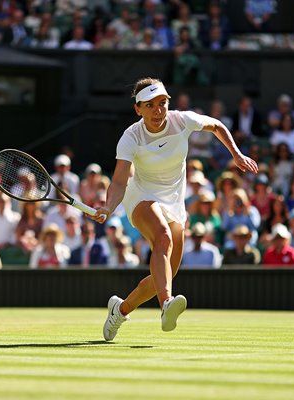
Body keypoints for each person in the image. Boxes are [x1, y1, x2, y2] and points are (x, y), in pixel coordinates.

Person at [89, 77, 258, 341]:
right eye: (150, 105)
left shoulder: (182, 120)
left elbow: (216, 125)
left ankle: (119, 310)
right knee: (163, 238)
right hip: (142, 195)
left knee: (167, 271)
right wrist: (109, 207)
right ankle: (167, 304)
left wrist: (236, 155)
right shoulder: (131, 137)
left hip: (174, 200)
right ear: (138, 109)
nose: (158, 110)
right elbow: (120, 180)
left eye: (162, 103)